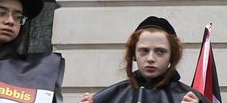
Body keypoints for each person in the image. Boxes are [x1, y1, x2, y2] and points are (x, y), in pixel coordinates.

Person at [79, 16, 209, 103]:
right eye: (144, 51)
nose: (151, 59)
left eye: (160, 51)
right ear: (134, 54)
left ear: (172, 56)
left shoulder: (190, 98)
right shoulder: (111, 96)